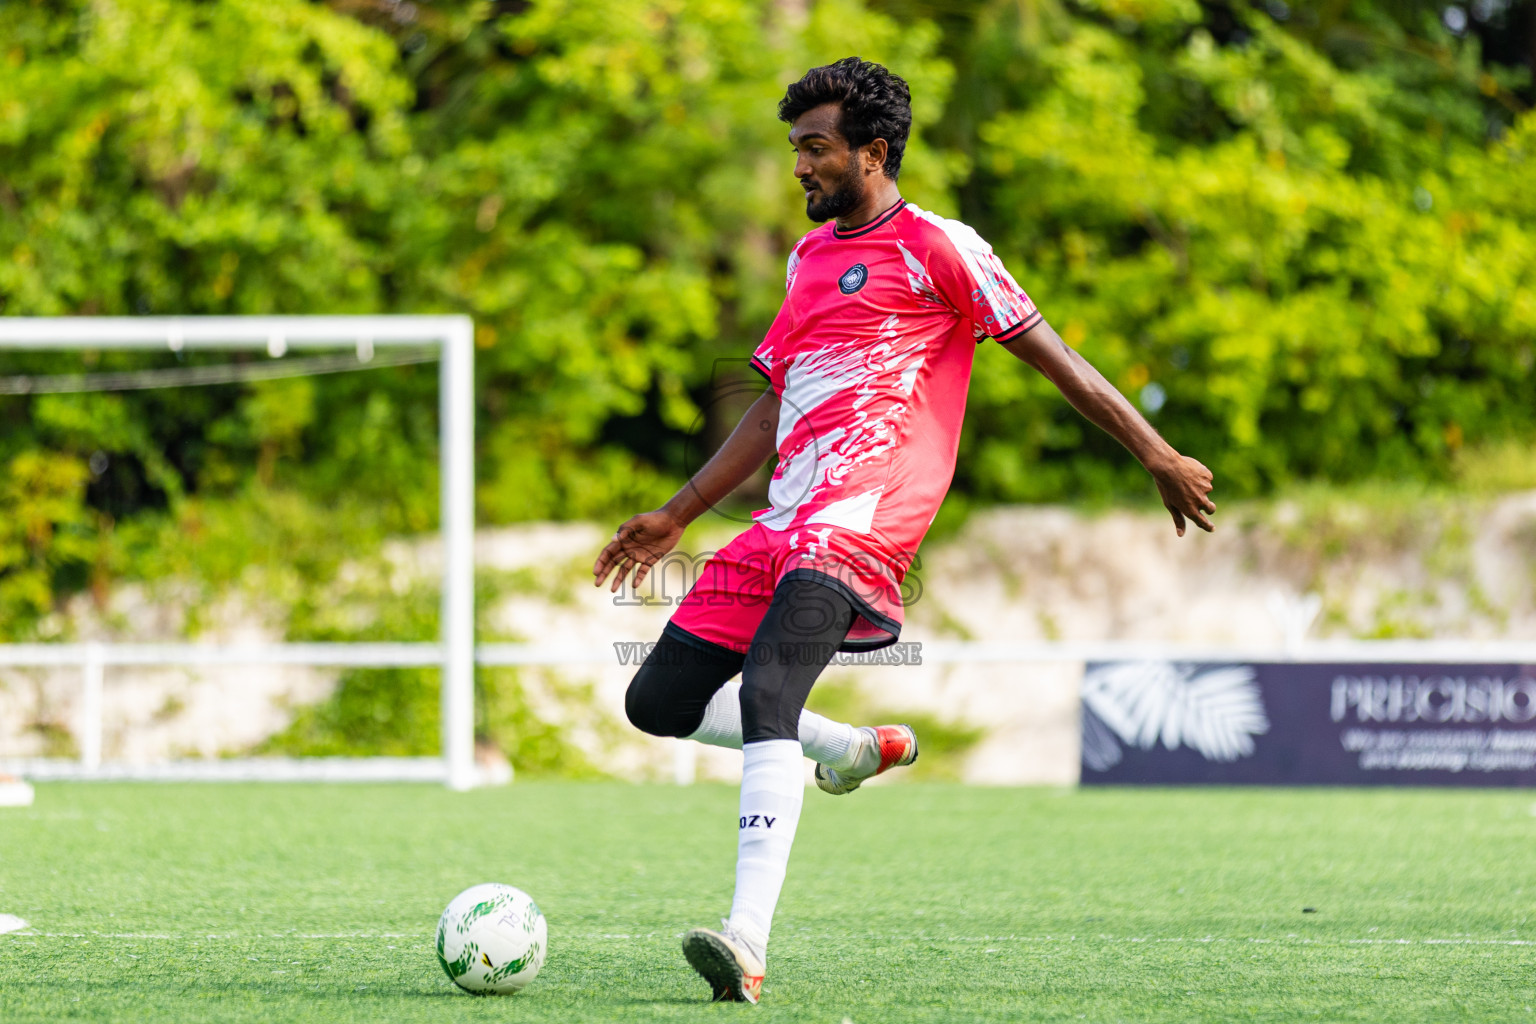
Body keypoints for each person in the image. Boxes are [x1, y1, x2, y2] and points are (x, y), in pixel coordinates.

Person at [592, 56, 1217, 1004]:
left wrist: (1157, 453)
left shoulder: (941, 246)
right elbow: (771, 407)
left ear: (873, 153)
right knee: (658, 706)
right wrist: (677, 514)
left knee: (767, 691)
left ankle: (744, 943)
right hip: (782, 522)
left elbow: (1061, 362)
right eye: (796, 147)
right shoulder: (806, 261)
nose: (799, 166)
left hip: (866, 519)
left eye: (816, 148)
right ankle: (844, 749)